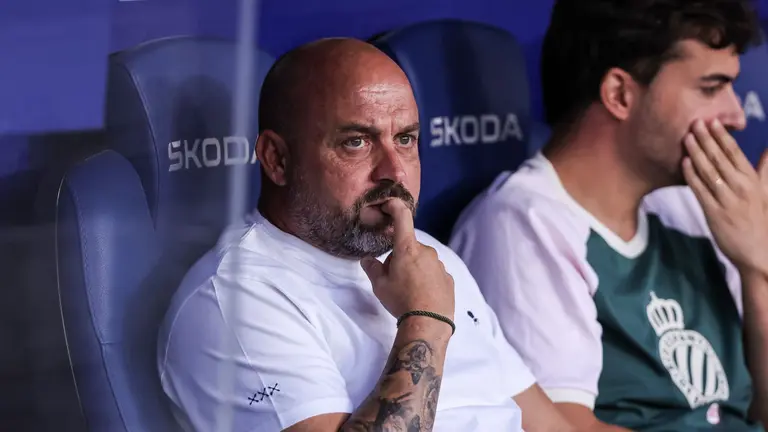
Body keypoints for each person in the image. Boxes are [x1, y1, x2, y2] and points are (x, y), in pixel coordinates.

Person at [157, 38, 571, 432]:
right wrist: (425, 320)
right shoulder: (236, 299)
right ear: (276, 159)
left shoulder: (432, 259)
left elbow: (548, 425)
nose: (394, 171)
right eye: (356, 142)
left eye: (405, 139)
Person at [450, 0, 768, 431]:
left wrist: (758, 266)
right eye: (711, 88)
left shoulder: (689, 206)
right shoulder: (522, 224)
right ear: (620, 94)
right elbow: (565, 425)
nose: (737, 115)